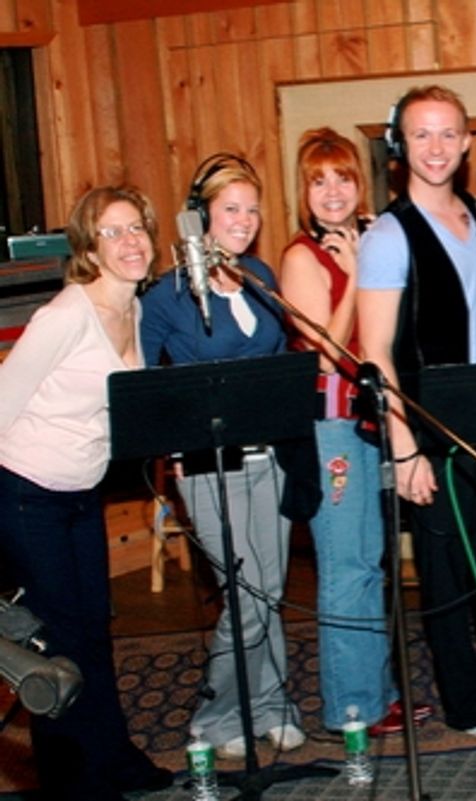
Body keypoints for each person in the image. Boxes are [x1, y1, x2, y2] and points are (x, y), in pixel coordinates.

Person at [356, 85, 476, 742]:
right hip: (427, 428)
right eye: (420, 135)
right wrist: (402, 446)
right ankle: (464, 698)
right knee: (443, 571)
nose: (434, 147)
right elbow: (374, 350)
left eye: (447, 134)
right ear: (400, 146)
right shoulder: (388, 234)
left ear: (466, 143)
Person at [0, 186, 173, 800]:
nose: (130, 243)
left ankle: (113, 758)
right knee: (58, 649)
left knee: (94, 630)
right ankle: (74, 784)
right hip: (26, 492)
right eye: (113, 232)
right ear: (88, 249)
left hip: (78, 493)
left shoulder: (136, 308)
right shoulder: (66, 316)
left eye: (137, 229)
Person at [140, 154, 310, 759]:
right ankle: (216, 716)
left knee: (271, 586)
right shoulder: (168, 295)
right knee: (249, 590)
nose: (243, 220)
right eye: (230, 209)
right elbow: (139, 378)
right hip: (209, 463)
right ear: (200, 216)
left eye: (252, 209)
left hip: (271, 457)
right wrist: (171, 443)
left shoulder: (261, 276)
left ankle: (270, 704)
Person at [279, 127, 431, 737]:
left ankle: (377, 695)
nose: (333, 190)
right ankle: (353, 709)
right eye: (319, 180)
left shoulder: (369, 238)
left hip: (370, 421)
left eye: (342, 177)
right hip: (331, 426)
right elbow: (326, 353)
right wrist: (355, 272)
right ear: (305, 191)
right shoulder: (299, 256)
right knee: (347, 568)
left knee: (370, 563)